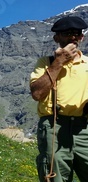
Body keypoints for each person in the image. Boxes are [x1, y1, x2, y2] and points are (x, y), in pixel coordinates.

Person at [30, 16, 88, 182]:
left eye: (77, 33)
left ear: (82, 37)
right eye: (67, 33)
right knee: (55, 177)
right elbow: (37, 94)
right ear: (57, 38)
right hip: (53, 127)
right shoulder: (45, 63)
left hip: (84, 128)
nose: (73, 37)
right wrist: (59, 62)